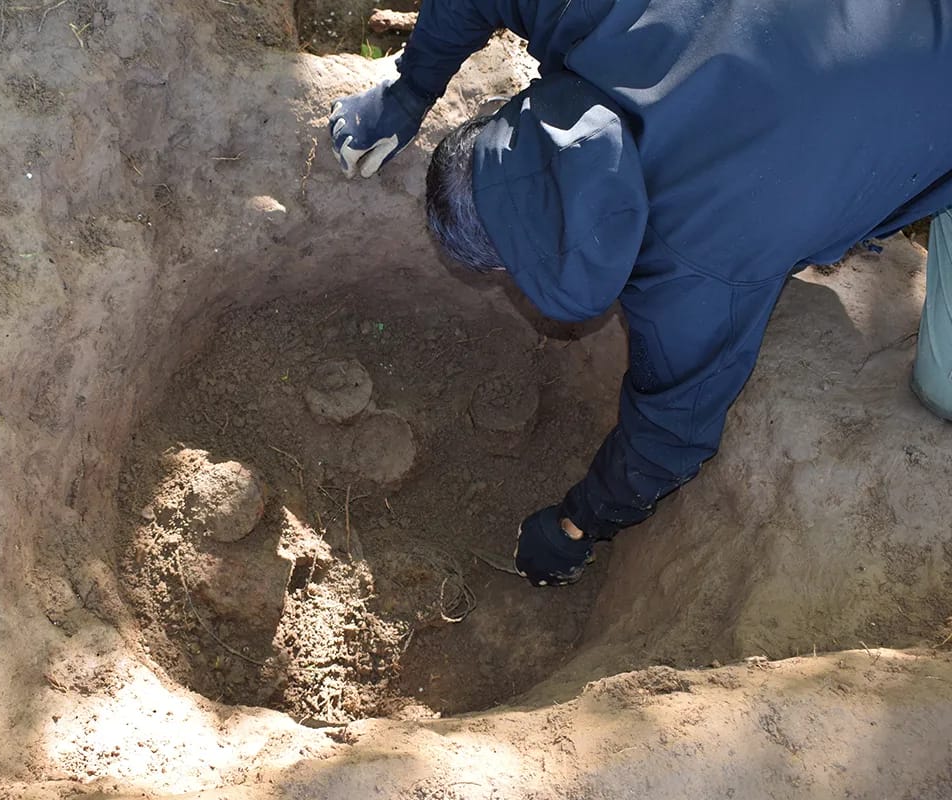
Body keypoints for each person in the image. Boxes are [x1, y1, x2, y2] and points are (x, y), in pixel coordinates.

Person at [327, 0, 952, 588]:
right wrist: (407, 91)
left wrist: (576, 528)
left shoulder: (699, 267)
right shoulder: (600, 18)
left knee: (941, 388)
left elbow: (672, 433)